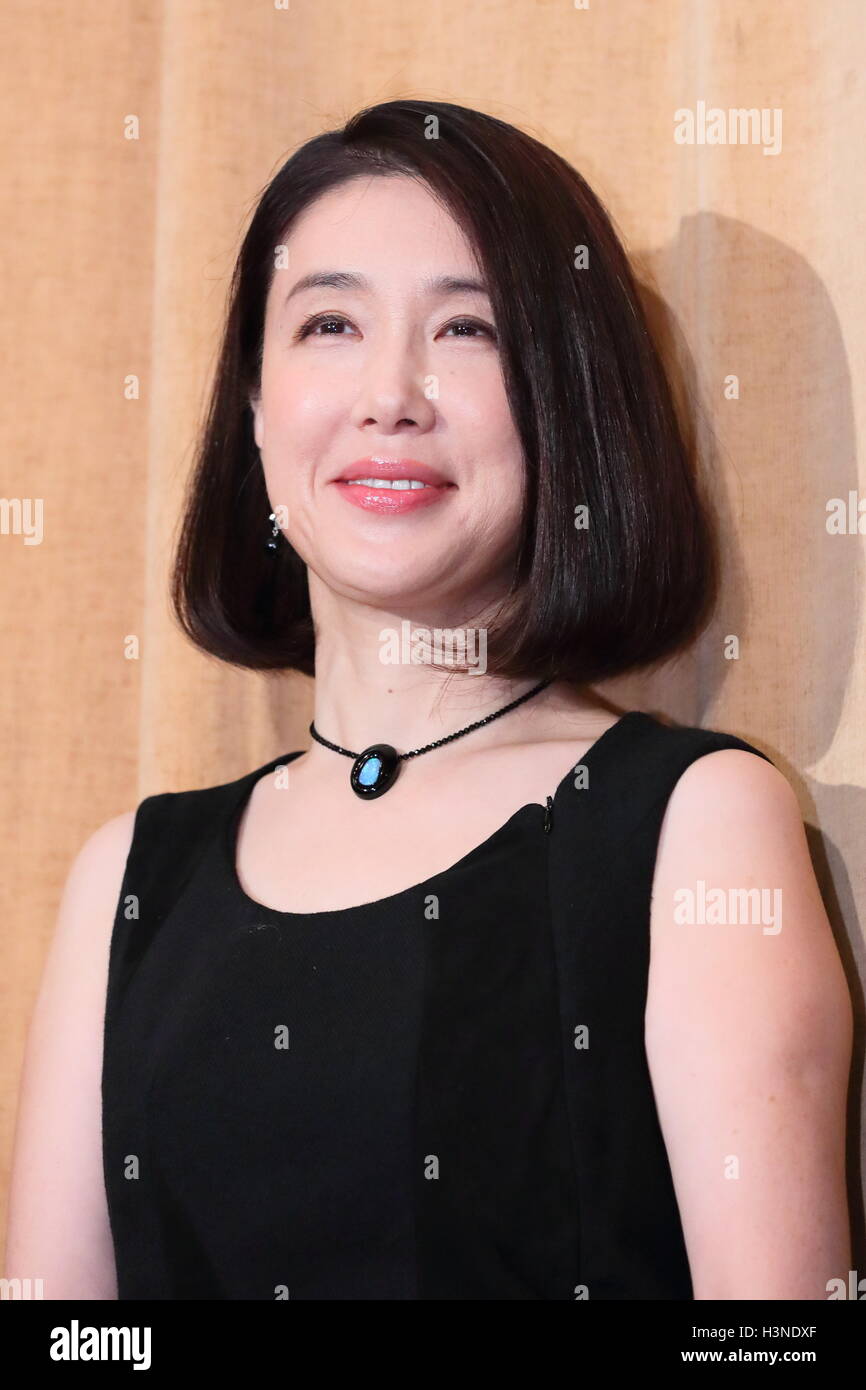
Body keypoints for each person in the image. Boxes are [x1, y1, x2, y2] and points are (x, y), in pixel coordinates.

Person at [5, 99, 852, 1301]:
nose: (389, 394)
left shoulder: (694, 825)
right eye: (329, 323)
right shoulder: (128, 877)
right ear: (254, 407)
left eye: (467, 329)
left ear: (563, 403)